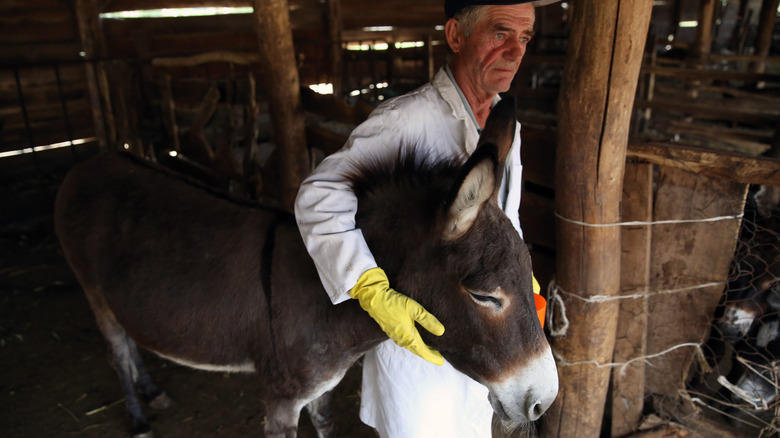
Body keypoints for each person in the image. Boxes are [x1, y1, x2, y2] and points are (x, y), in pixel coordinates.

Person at [295, 1, 554, 436]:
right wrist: (367, 286)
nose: (516, 52)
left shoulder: (508, 125)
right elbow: (318, 196)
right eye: (500, 33)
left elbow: (503, 216)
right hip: (417, 349)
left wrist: (519, 279)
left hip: (484, 343)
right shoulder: (403, 119)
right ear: (455, 36)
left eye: (524, 38)